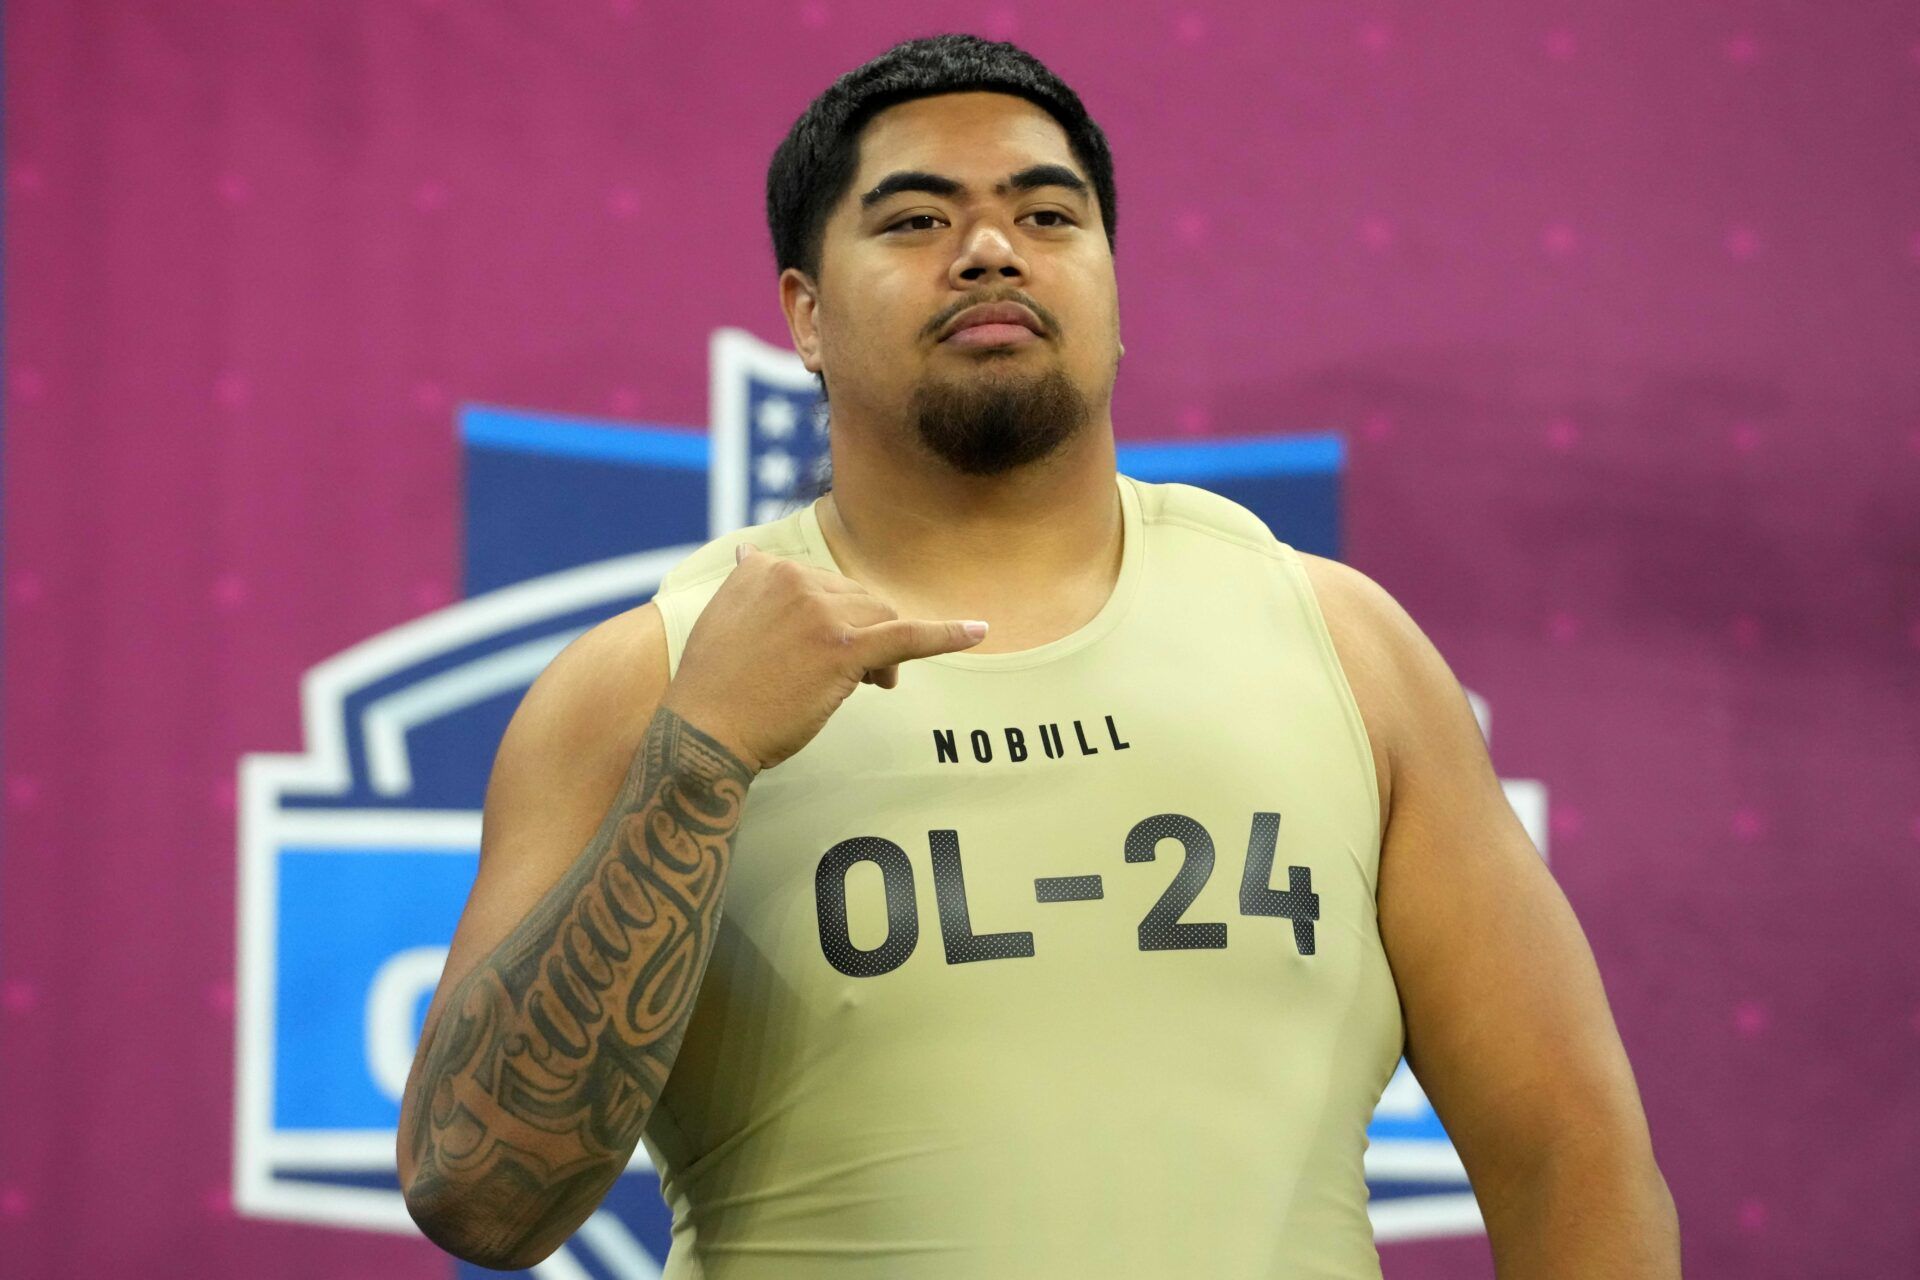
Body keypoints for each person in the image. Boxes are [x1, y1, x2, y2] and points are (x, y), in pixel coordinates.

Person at [396, 33, 1679, 1277]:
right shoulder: (649, 679)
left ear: (1115, 283)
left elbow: (1569, 1159)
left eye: (1050, 216)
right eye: (914, 220)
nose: (992, 248)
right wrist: (698, 760)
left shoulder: (1348, 646)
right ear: (805, 314)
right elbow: (480, 1197)